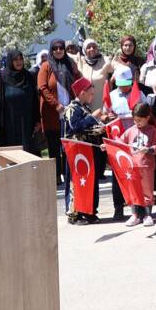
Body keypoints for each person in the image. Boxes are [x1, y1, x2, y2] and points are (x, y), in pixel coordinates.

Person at [63, 77, 108, 223]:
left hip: (87, 151)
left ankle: (89, 211)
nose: (92, 96)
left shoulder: (84, 108)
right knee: (75, 182)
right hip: (75, 152)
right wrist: (92, 117)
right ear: (82, 92)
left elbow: (89, 129)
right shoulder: (71, 109)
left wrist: (101, 126)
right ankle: (74, 214)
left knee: (89, 182)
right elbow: (75, 126)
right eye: (91, 93)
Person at [119, 103, 156, 227]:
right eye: (134, 120)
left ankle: (148, 215)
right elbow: (120, 143)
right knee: (133, 191)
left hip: (146, 166)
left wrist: (148, 150)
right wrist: (107, 145)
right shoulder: (130, 131)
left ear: (147, 118)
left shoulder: (152, 130)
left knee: (147, 191)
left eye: (139, 120)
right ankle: (135, 215)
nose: (136, 123)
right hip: (132, 167)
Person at [0, 48, 39, 154]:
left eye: (21, 59)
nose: (19, 62)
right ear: (10, 61)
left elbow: (35, 100)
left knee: (28, 152)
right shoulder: (1, 77)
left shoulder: (28, 76)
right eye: (15, 60)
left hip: (26, 123)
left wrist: (37, 120)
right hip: (8, 123)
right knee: (11, 153)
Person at [36, 47, 67, 187]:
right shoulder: (46, 66)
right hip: (52, 113)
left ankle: (68, 173)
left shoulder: (68, 64)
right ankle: (56, 175)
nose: (58, 50)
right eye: (55, 48)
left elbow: (76, 81)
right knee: (54, 147)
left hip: (68, 112)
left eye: (61, 48)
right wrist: (55, 104)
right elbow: (42, 87)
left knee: (68, 146)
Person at [72, 38, 115, 111]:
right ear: (84, 50)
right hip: (86, 106)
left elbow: (117, 67)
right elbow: (66, 55)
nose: (92, 49)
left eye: (94, 47)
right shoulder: (80, 60)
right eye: (88, 47)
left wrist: (111, 80)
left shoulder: (105, 60)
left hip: (102, 103)